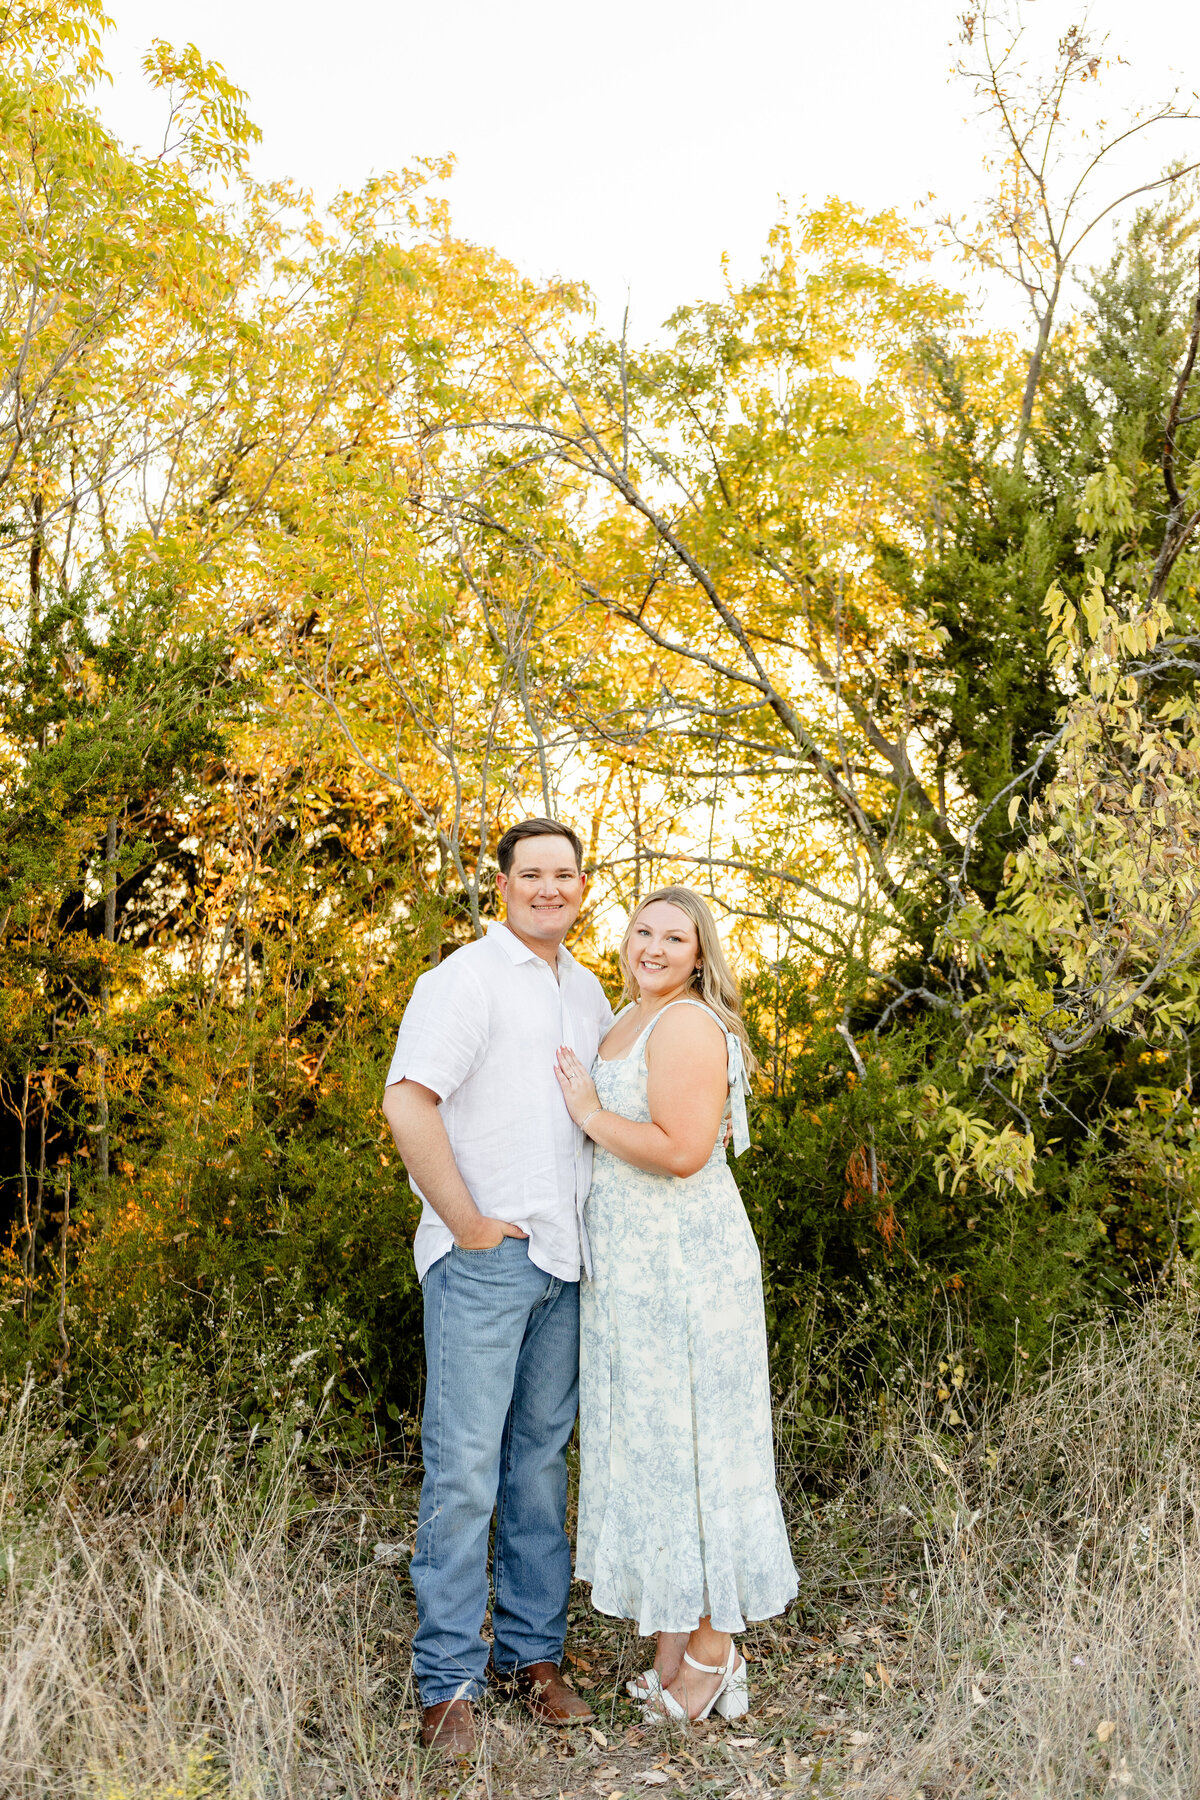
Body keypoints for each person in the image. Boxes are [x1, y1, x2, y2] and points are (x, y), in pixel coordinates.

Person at [382, 819, 612, 1753]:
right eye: (532, 874)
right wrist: (469, 1225)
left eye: (565, 874)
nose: (549, 888)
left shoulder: (591, 989)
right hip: (486, 1260)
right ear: (503, 885)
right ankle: (447, 1685)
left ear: (581, 885)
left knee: (538, 1466)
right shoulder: (463, 981)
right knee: (466, 1467)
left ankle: (530, 1658)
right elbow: (407, 1099)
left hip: (565, 1260)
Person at [554, 886, 797, 1723]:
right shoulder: (624, 1016)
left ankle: (713, 1651)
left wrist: (587, 1112)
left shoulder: (687, 1023)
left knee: (697, 1449)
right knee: (657, 1450)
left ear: (701, 956)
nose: (653, 947)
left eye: (674, 937)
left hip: (686, 1273)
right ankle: (673, 1641)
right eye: (643, 930)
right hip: (633, 1275)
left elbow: (685, 1151)